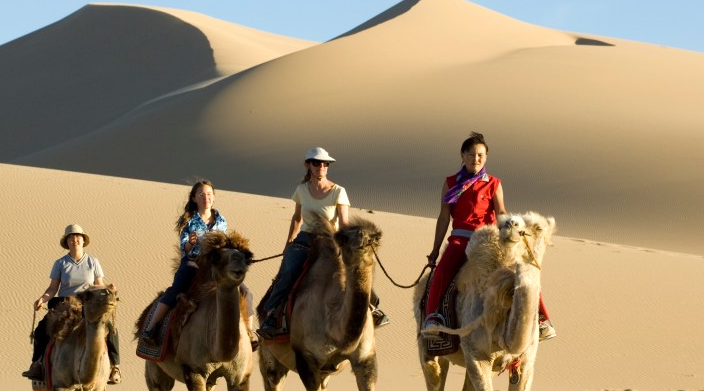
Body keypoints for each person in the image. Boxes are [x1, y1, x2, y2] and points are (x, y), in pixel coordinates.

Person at [420, 132, 555, 341]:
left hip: (489, 238)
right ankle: (433, 318)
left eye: (481, 155)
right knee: (443, 270)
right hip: (461, 238)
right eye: (472, 154)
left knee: (522, 269)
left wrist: (512, 228)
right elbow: (444, 218)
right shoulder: (450, 183)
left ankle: (541, 318)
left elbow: (500, 211)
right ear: (463, 155)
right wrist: (435, 249)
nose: (476, 159)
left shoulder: (493, 183)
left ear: (486, 157)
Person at [257, 147, 388, 340]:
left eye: (325, 164)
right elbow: (297, 218)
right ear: (308, 165)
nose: (321, 167)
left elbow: (343, 222)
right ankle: (272, 315)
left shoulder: (338, 191)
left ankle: (372, 307)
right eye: (317, 163)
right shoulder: (301, 190)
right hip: (305, 239)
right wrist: (289, 243)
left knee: (355, 269)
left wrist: (347, 243)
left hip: (331, 239)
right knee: (288, 271)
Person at [139, 180, 256, 346]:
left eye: (209, 194)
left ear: (214, 198)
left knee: (245, 291)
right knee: (178, 287)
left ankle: (249, 334)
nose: (205, 198)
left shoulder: (221, 220)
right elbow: (184, 247)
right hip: (193, 261)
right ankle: (151, 328)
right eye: (201, 194)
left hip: (215, 264)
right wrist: (191, 243)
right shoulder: (189, 221)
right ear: (194, 198)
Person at [22, 224, 123, 383]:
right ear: (66, 242)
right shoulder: (60, 263)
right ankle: (37, 364)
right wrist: (42, 299)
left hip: (87, 303)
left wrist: (108, 288)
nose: (75, 240)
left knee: (111, 328)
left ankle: (115, 367)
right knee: (41, 329)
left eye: (78, 237)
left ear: (83, 240)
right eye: (71, 237)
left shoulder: (92, 262)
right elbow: (53, 288)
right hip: (65, 304)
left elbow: (99, 283)